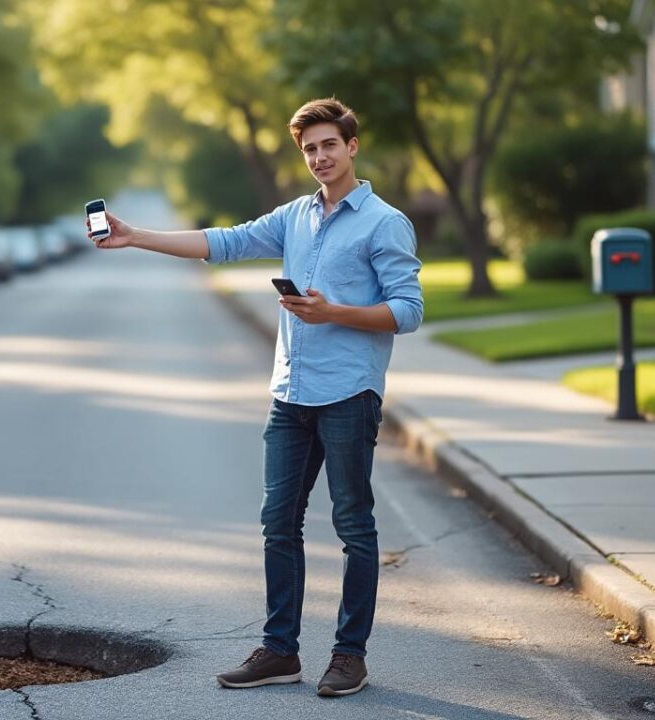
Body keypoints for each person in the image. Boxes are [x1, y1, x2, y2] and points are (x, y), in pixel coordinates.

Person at [87, 97, 423, 697]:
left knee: (353, 527)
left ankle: (350, 656)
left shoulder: (384, 221)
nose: (319, 157)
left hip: (349, 394)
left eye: (328, 145)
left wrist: (333, 312)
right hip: (290, 393)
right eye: (309, 148)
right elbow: (224, 242)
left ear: (352, 146)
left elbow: (408, 311)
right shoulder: (295, 215)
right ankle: (279, 651)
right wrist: (136, 236)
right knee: (277, 524)